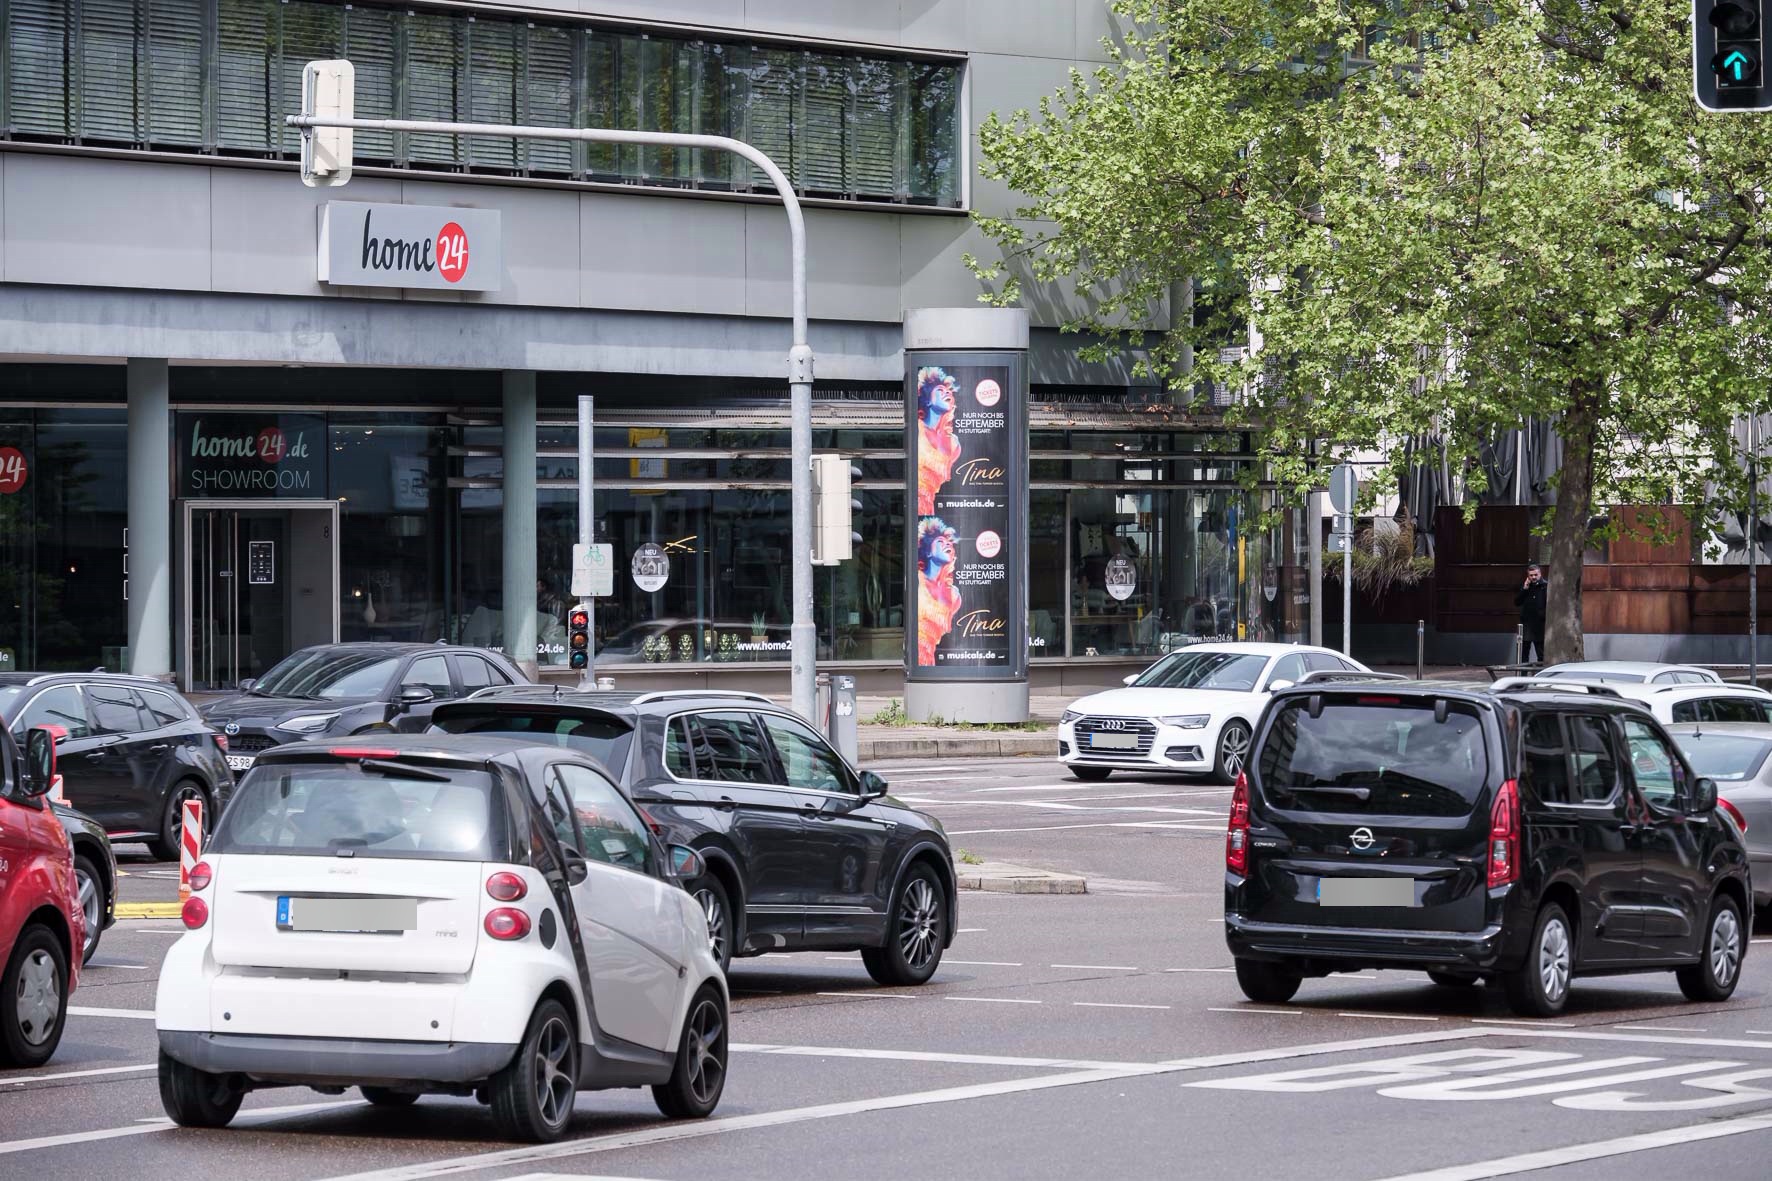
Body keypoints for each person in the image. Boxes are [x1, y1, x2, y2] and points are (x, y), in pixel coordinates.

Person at [1514, 562, 1547, 664]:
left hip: (1540, 625)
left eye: (1535, 575)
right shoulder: (1526, 587)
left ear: (1540, 574)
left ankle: (1541, 673)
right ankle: (1523, 673)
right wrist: (1524, 589)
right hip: (1527, 624)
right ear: (1528, 576)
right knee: (1524, 653)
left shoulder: (1545, 586)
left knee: (1541, 654)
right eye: (1531, 575)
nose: (1533, 577)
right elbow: (1517, 602)